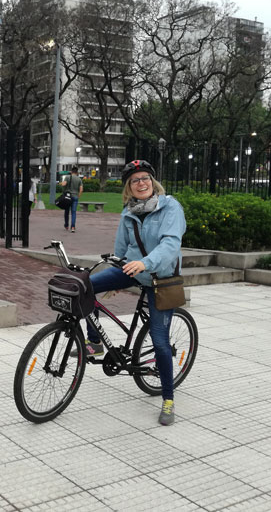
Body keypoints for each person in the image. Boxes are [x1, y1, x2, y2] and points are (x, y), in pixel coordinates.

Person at [74, 160, 186, 426]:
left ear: (153, 182)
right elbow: (121, 251)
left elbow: (171, 245)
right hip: (131, 270)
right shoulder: (128, 213)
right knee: (84, 286)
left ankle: (168, 400)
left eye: (145, 178)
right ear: (129, 187)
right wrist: (114, 277)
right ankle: (96, 342)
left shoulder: (170, 207)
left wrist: (145, 263)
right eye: (135, 180)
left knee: (160, 342)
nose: (141, 183)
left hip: (161, 277)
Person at [60, 166, 83, 232]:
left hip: (68, 197)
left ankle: (66, 225)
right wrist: (78, 196)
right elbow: (81, 190)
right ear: (77, 172)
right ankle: (73, 227)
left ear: (71, 171)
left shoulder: (67, 177)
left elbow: (64, 184)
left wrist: (61, 184)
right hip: (75, 196)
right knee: (73, 212)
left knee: (67, 211)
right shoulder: (79, 179)